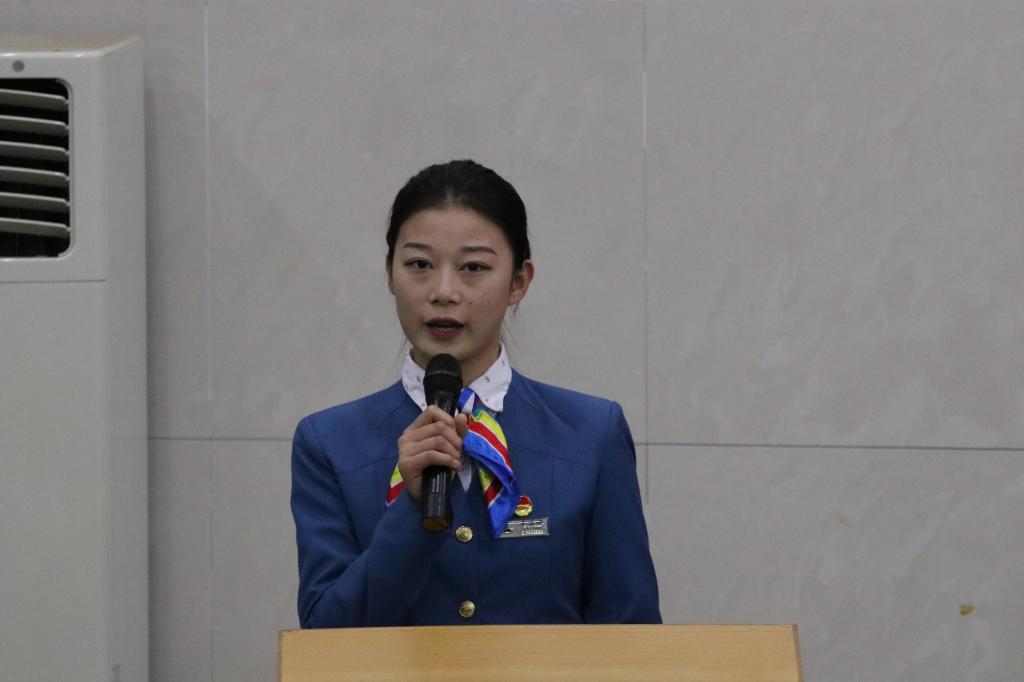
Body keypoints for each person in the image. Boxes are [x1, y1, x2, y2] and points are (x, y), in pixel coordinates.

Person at [291, 160, 660, 627]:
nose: (443, 291)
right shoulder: (330, 442)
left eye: (474, 267)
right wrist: (412, 509)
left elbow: (630, 633)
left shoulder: (591, 433)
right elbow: (324, 636)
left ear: (519, 281)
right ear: (389, 273)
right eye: (419, 265)